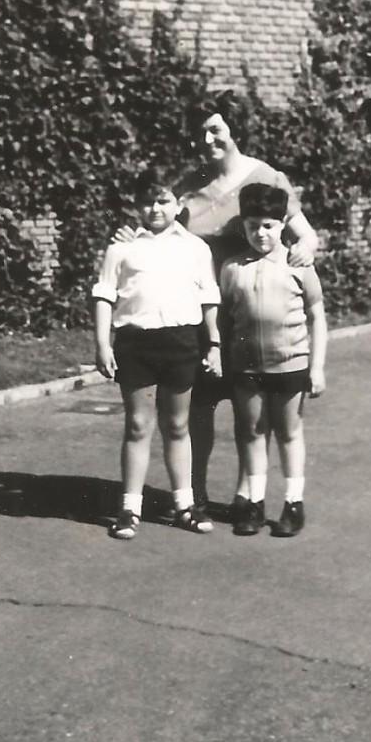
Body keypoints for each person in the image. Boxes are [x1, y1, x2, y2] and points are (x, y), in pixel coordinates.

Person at [114, 91, 319, 509]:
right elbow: (159, 229)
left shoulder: (266, 177)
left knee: (252, 412)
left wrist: (306, 249)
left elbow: (305, 233)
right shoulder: (187, 188)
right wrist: (130, 237)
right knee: (199, 407)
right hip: (201, 315)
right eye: (199, 133)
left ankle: (247, 494)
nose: (206, 140)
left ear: (232, 129)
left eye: (214, 130)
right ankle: (195, 493)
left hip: (252, 316)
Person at [93, 165, 223, 540]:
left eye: (163, 201)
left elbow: (209, 297)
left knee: (178, 425)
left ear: (178, 204)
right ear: (137, 205)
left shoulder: (195, 248)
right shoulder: (121, 248)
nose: (155, 209)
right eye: (148, 202)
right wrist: (102, 343)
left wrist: (214, 343)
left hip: (181, 342)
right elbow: (104, 296)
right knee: (138, 425)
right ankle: (129, 509)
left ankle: (184, 505)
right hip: (136, 344)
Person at [220, 183, 327, 536]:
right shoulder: (232, 268)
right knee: (252, 431)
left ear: (282, 225)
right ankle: (254, 503)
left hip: (290, 363)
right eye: (253, 226)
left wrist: (317, 367)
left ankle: (293, 503)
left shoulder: (298, 265)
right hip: (246, 367)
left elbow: (317, 316)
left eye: (268, 225)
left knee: (288, 432)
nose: (261, 233)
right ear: (243, 227)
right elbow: (224, 318)